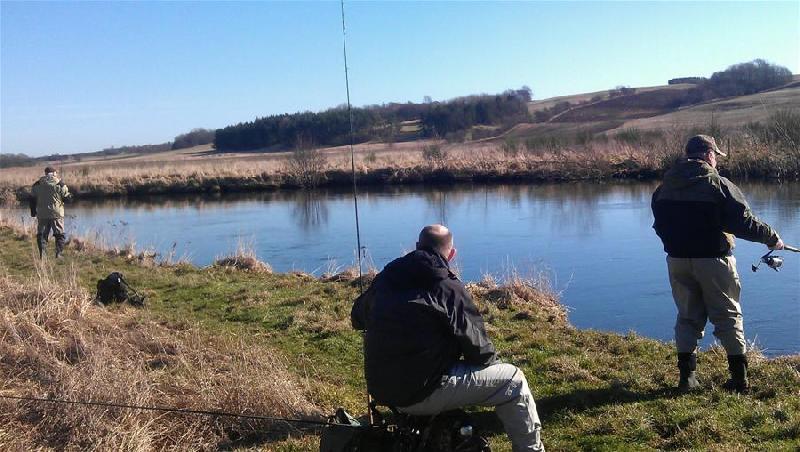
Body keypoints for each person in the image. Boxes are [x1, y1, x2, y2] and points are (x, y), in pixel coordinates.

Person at [351, 224, 544, 452]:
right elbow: (480, 351)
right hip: (420, 390)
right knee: (514, 381)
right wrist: (491, 363)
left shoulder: (386, 278)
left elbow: (357, 319)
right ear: (451, 254)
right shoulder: (448, 287)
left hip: (381, 387)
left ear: (417, 246)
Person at [651, 135, 783, 393]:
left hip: (677, 260)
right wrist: (772, 238)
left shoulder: (664, 186)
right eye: (716, 157)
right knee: (728, 316)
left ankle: (687, 378)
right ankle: (739, 379)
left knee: (688, 317)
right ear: (709, 155)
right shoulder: (718, 184)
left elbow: (659, 225)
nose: (717, 162)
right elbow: (744, 223)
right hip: (713, 259)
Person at [30, 166, 71, 258]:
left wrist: (33, 212)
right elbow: (67, 199)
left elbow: (32, 199)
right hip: (56, 214)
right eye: (56, 173)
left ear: (45, 173)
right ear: (54, 173)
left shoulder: (36, 184)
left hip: (42, 213)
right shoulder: (60, 184)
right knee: (59, 234)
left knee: (42, 234)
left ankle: (43, 254)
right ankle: (58, 254)